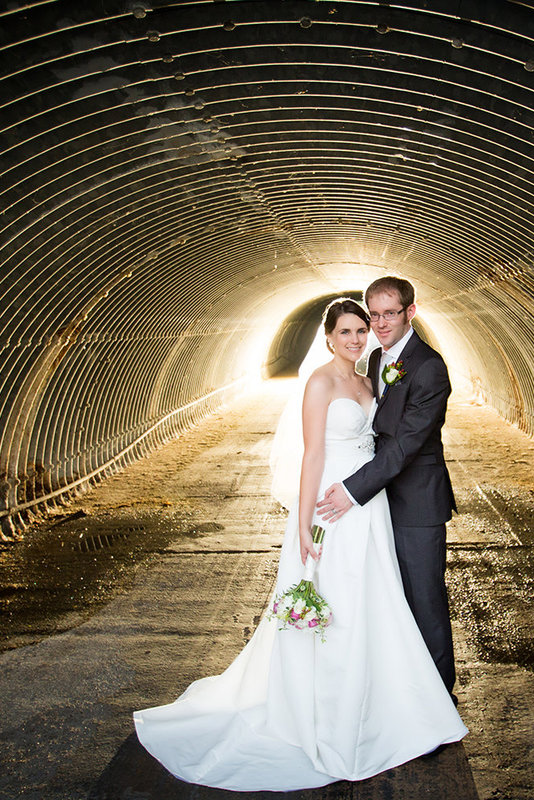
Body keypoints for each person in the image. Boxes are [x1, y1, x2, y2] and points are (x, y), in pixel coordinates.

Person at [132, 298, 466, 792]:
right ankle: (329, 705)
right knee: (337, 595)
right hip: (335, 498)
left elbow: (395, 437)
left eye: (363, 329)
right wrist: (305, 521)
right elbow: (312, 456)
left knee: (377, 596)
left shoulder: (371, 374)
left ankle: (383, 697)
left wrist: (360, 491)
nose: (358, 337)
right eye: (347, 331)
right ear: (328, 337)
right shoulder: (319, 383)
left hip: (370, 504)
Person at [316, 276, 458, 698]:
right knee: (388, 598)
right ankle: (400, 691)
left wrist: (352, 488)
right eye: (373, 314)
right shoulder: (378, 359)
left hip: (416, 503)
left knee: (424, 597)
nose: (379, 323)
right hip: (379, 502)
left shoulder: (430, 367)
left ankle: (439, 697)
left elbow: (405, 446)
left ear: (410, 313)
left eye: (389, 313)